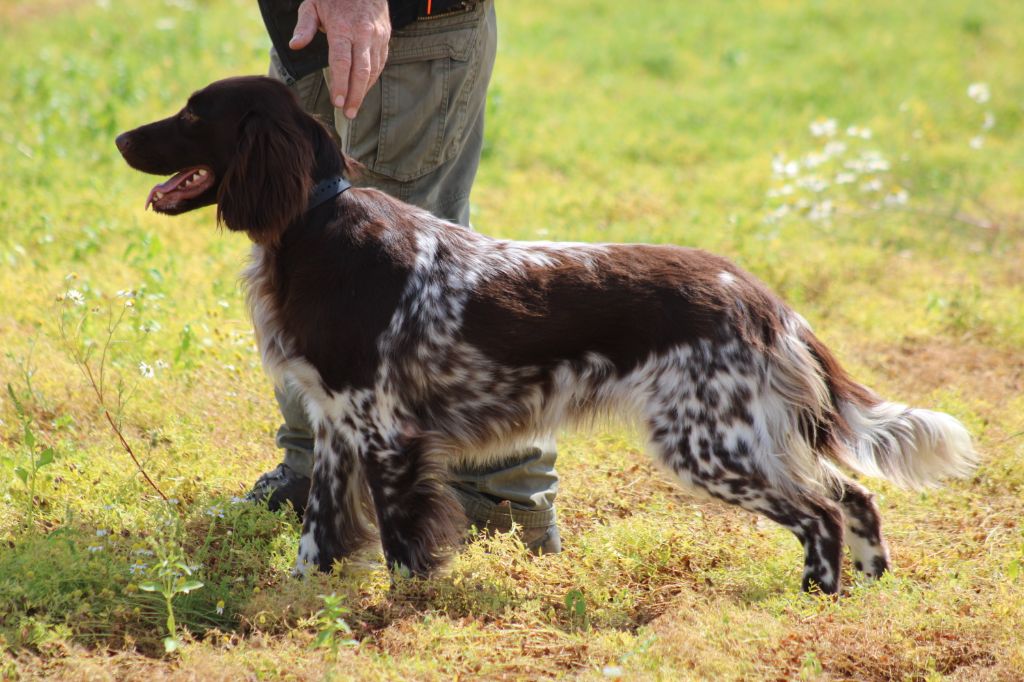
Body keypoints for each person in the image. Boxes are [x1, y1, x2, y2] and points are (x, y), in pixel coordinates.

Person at [246, 0, 562, 554]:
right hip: (308, 26)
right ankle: (313, 473)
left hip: (397, 23)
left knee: (400, 274)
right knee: (306, 252)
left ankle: (503, 492)